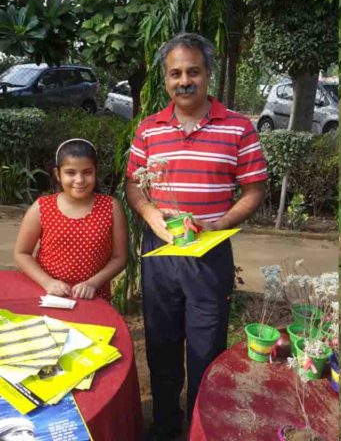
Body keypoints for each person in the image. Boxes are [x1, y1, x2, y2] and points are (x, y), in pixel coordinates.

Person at [125, 33, 267, 441]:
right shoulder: (149, 128)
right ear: (166, 79)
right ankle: (166, 425)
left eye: (192, 72)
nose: (183, 80)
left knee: (207, 351)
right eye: (175, 73)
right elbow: (134, 184)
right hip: (161, 253)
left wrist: (221, 223)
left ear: (208, 74)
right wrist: (151, 215)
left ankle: (201, 430)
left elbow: (255, 188)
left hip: (209, 254)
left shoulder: (238, 127)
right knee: (161, 346)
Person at [12, 139, 128, 301]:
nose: (79, 180)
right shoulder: (41, 208)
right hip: (47, 294)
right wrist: (48, 282)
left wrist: (93, 283)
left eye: (87, 172)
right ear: (58, 174)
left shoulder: (111, 207)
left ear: (95, 172)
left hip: (93, 297)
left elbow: (120, 257)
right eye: (71, 172)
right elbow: (21, 253)